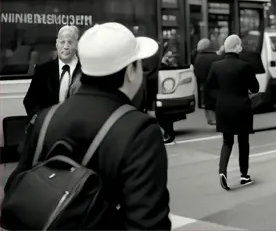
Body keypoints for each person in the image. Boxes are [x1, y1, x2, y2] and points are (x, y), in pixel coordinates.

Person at [5, 22, 171, 229]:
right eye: (139, 64)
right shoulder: (140, 131)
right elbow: (148, 223)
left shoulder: (46, 118)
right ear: (130, 71)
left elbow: (15, 186)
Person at [205, 35, 260, 190]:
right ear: (237, 47)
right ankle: (244, 175)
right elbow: (255, 88)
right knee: (243, 142)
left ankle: (222, 171)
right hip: (242, 107)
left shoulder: (216, 66)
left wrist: (220, 98)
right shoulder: (245, 66)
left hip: (223, 108)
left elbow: (208, 88)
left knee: (227, 141)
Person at [23, 25, 83, 117]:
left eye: (70, 42)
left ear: (77, 44)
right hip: (48, 126)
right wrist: (39, 118)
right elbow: (30, 101)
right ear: (56, 44)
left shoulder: (85, 71)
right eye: (62, 42)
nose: (66, 47)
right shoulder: (43, 70)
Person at [193, 38, 223, 125]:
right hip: (217, 83)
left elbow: (197, 72)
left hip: (205, 84)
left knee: (208, 102)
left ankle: (211, 119)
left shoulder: (198, 58)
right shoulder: (217, 57)